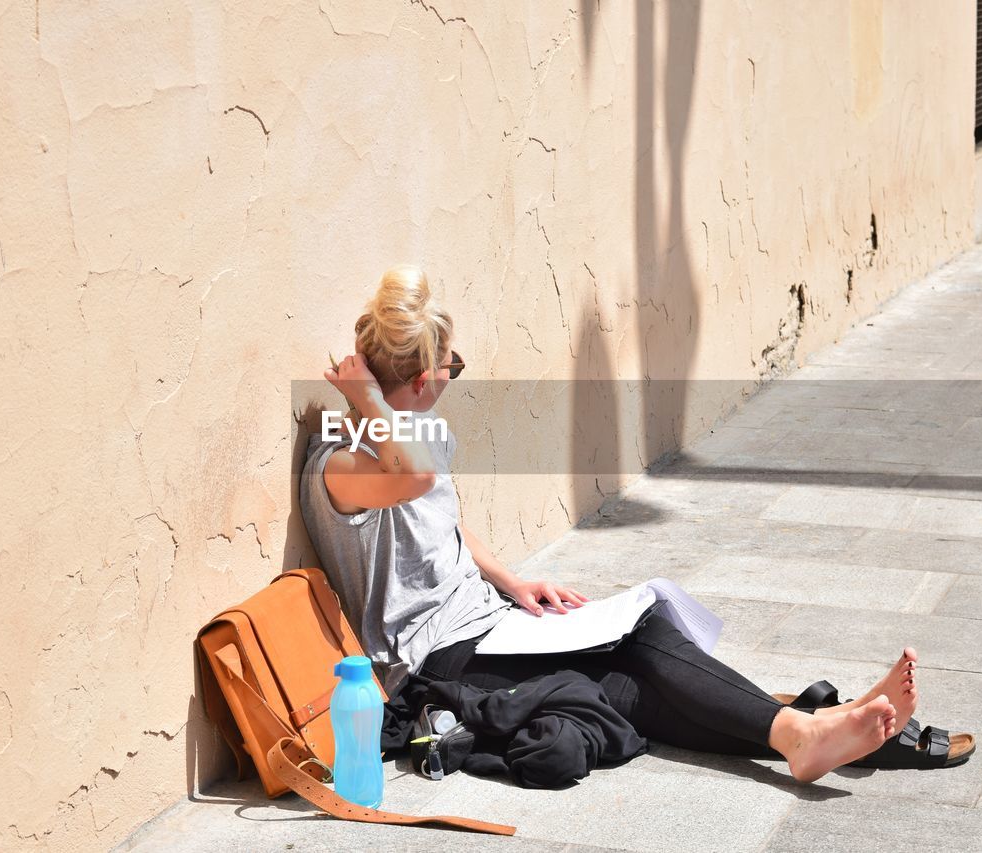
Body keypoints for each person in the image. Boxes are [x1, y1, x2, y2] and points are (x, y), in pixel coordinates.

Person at [299, 264, 919, 784]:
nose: (451, 379)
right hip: (434, 659)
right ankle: (805, 729)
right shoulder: (343, 463)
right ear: (418, 378)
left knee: (627, 680)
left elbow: (443, 527)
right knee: (638, 640)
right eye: (449, 368)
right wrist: (371, 401)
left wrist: (511, 582)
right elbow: (413, 481)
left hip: (486, 623)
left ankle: (810, 732)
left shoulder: (415, 440)